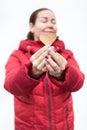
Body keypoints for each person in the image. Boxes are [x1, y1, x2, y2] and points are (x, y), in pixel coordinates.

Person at [4, 8, 85, 130]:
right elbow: (11, 85)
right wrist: (31, 72)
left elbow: (78, 83)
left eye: (53, 21)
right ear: (31, 26)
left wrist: (62, 74)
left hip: (64, 126)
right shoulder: (17, 55)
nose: (50, 25)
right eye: (44, 20)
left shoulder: (66, 54)